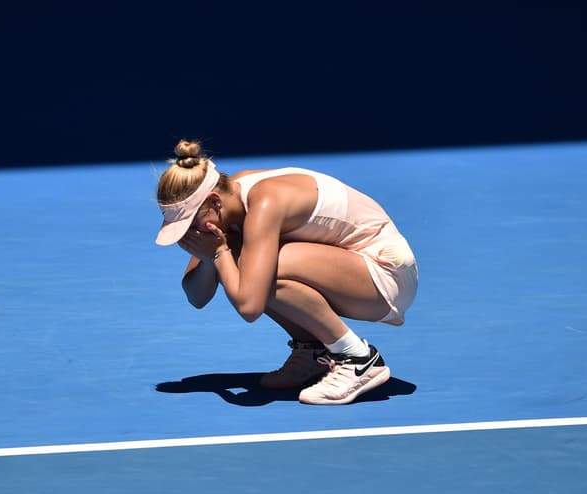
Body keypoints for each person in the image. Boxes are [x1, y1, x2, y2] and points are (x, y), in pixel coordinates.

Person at [154, 139, 418, 405]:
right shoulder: (225, 203)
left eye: (189, 224)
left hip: (385, 276)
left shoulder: (266, 203)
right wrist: (211, 256)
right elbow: (197, 297)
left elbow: (249, 306)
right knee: (247, 262)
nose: (189, 234)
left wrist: (220, 254)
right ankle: (313, 350)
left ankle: (358, 357)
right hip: (354, 273)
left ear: (213, 201)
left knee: (254, 270)